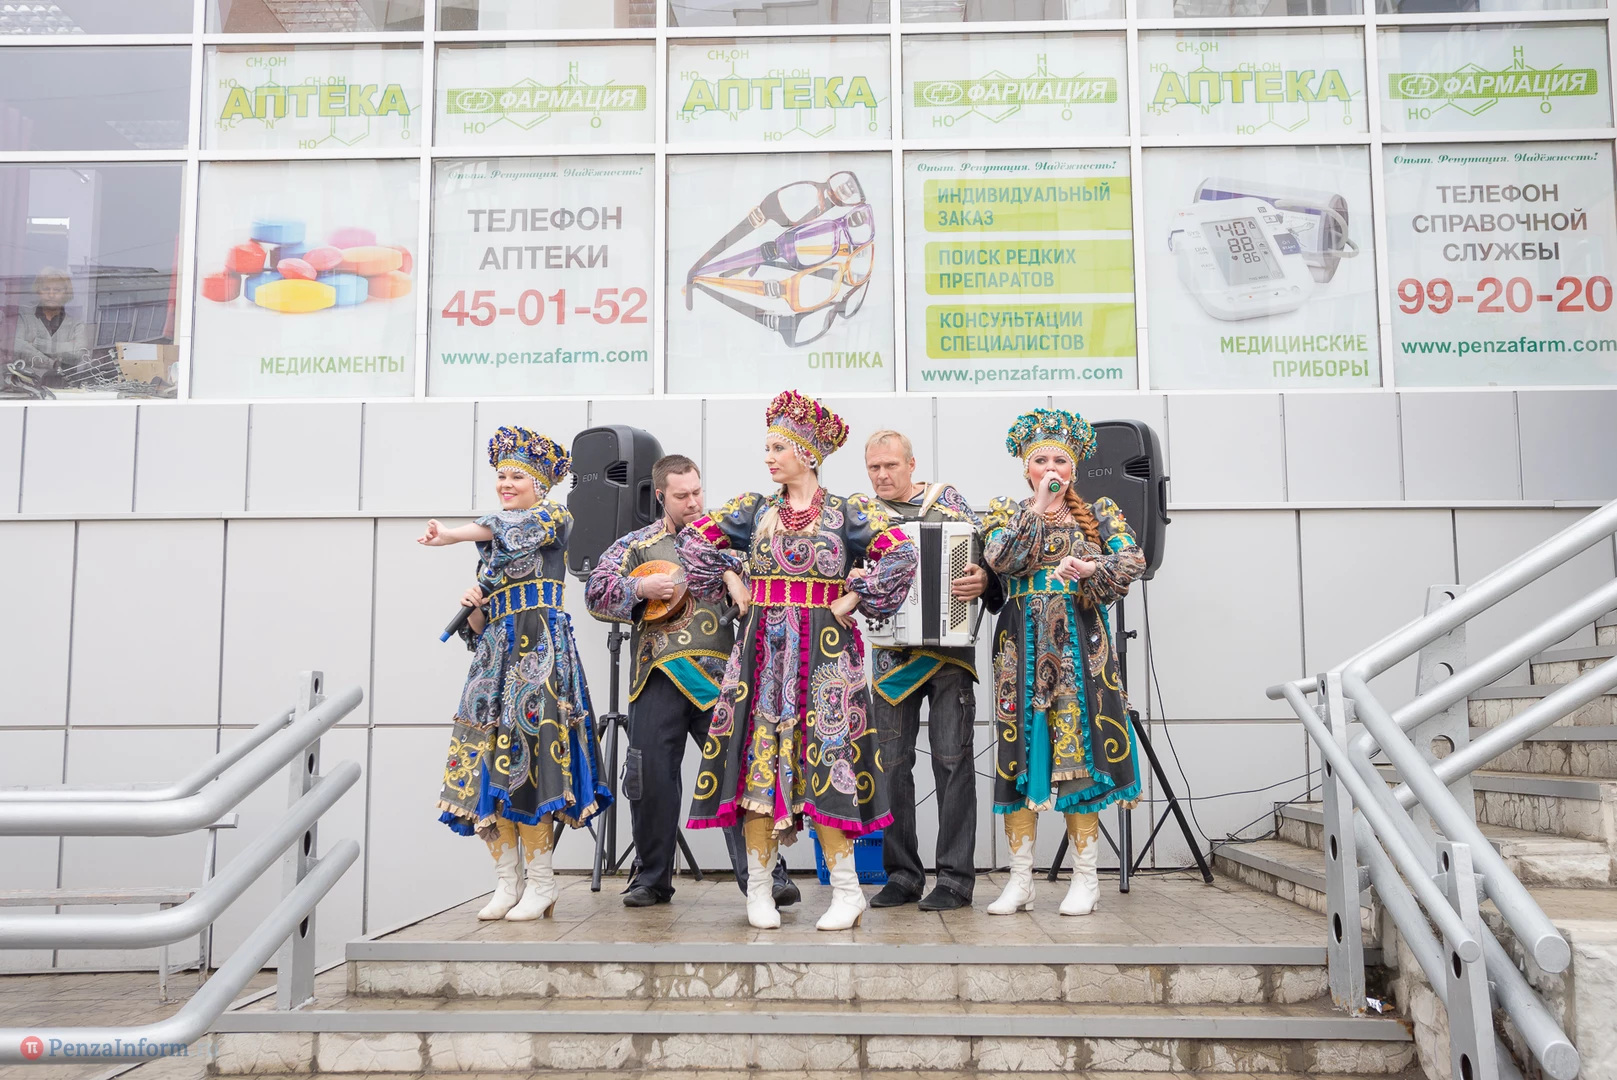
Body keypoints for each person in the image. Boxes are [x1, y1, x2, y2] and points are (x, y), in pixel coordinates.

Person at [678, 390, 918, 931]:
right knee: (758, 766)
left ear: (807, 453)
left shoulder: (847, 512)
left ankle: (848, 891)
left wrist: (853, 597)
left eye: (778, 447)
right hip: (762, 656)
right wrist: (733, 577)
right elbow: (693, 539)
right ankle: (759, 890)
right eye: (768, 447)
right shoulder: (754, 510)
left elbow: (901, 553)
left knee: (830, 763)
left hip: (827, 658)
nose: (768, 457)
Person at [585, 453, 798, 909]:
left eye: (697, 492)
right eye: (682, 496)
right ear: (661, 496)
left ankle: (764, 876)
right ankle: (651, 878)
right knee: (649, 779)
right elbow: (595, 593)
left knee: (739, 776)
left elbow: (772, 586)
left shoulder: (730, 541)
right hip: (657, 674)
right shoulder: (637, 545)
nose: (694, 502)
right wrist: (639, 589)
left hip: (723, 677)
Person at [423, 426, 611, 923]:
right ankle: (508, 882)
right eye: (501, 476)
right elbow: (479, 628)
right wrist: (475, 606)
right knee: (488, 765)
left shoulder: (554, 517)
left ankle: (542, 883)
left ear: (539, 484)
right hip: (494, 661)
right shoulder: (491, 553)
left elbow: (509, 528)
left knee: (532, 762)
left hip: (538, 654)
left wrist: (451, 535)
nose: (505, 484)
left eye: (516, 477)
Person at [981, 408, 1145, 918]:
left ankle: (1086, 879)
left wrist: (1091, 567)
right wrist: (1038, 506)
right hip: (1021, 648)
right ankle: (1021, 880)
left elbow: (1132, 560)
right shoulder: (1005, 511)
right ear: (1026, 468)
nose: (1051, 468)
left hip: (1079, 645)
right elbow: (1000, 559)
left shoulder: (1099, 513)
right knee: (1018, 752)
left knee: (1079, 752)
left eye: (1060, 461)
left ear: (1073, 469)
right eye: (1041, 461)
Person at [862, 430, 1001, 912]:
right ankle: (902, 875)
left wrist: (984, 578)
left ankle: (956, 880)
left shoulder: (949, 503)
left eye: (891, 466)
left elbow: (989, 560)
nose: (882, 475)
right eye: (874, 467)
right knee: (891, 767)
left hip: (948, 657)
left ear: (912, 464)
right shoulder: (862, 516)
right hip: (891, 660)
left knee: (952, 762)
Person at [11, 268, 91, 388]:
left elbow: (79, 353)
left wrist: (37, 343)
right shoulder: (24, 317)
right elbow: (17, 347)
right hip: (27, 389)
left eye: (57, 290)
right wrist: (53, 363)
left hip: (66, 389)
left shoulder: (77, 325)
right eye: (46, 289)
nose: (51, 294)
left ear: (66, 293)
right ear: (38, 291)